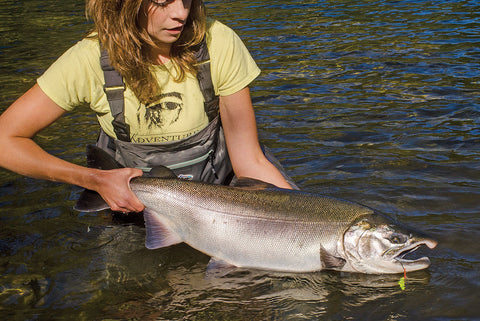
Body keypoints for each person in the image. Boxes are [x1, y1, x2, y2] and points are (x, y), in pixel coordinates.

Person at [0, 0, 295, 214]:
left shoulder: (219, 43)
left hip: (220, 203)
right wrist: (94, 179)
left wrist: (314, 217)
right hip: (132, 209)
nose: (181, 12)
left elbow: (249, 163)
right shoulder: (87, 60)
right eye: (162, 1)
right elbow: (5, 140)